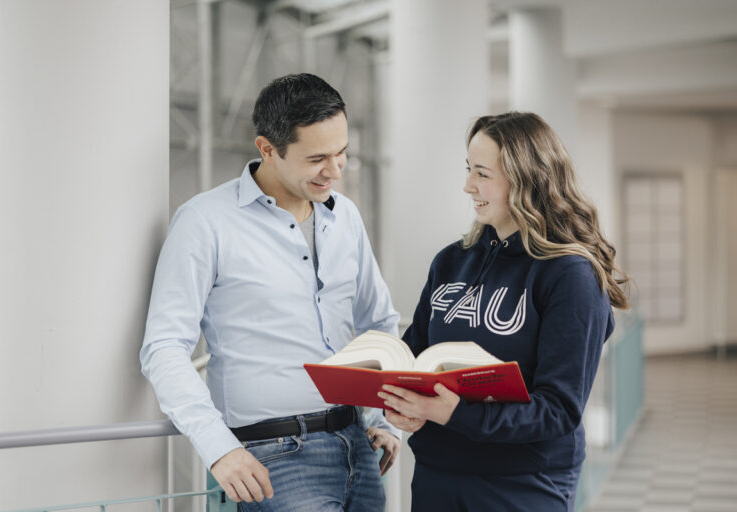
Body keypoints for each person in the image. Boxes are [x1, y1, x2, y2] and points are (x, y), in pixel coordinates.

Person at [140, 73, 401, 511]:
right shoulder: (205, 221)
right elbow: (163, 346)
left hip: (360, 445)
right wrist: (218, 447)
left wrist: (383, 419)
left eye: (342, 154)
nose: (335, 171)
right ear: (267, 149)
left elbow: (378, 322)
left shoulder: (346, 216)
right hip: (273, 458)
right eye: (317, 158)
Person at [379, 112, 630, 511]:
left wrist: (456, 414)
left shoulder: (570, 275)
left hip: (522, 482)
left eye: (482, 173)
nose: (468, 186)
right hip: (436, 474)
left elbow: (559, 409)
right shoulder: (450, 261)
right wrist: (409, 406)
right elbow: (415, 357)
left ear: (527, 178)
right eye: (468, 170)